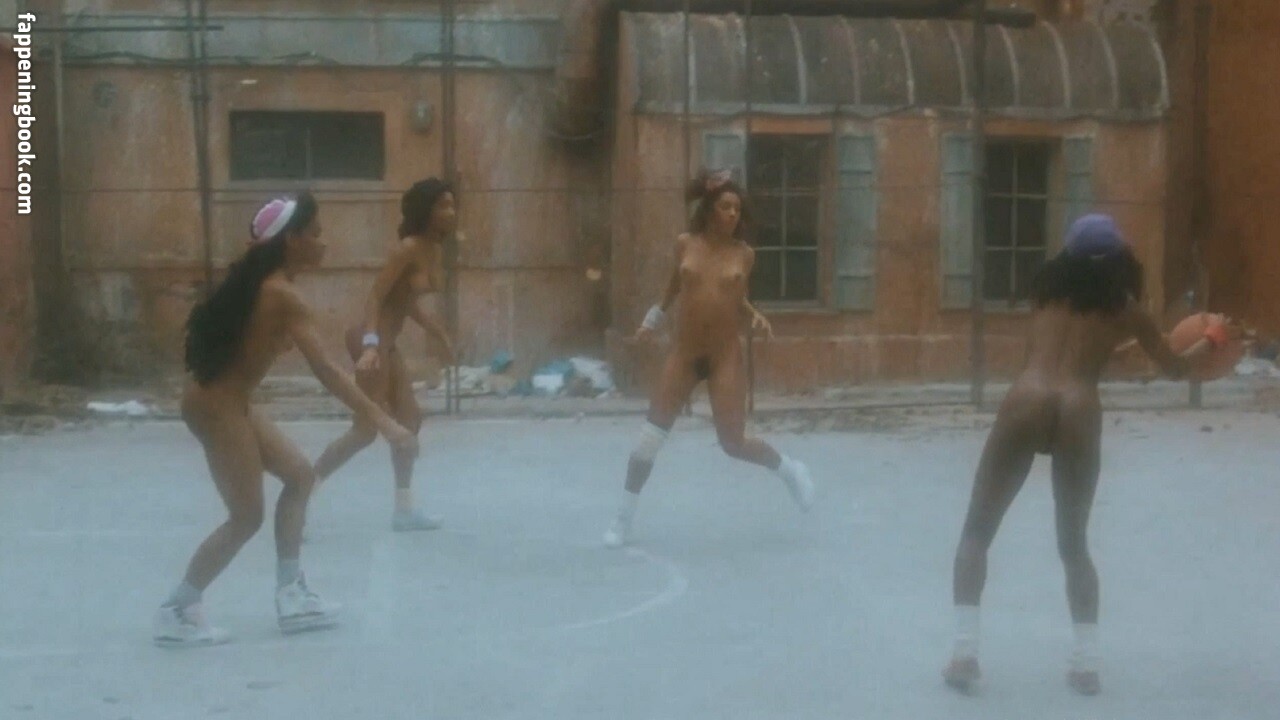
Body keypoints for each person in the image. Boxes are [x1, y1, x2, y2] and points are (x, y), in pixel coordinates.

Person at [942, 214, 1229, 695]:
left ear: (1067, 256)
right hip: (1079, 407)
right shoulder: (1126, 309)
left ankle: (964, 654)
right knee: (1074, 545)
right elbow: (1175, 369)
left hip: (1027, 398)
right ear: (1119, 259)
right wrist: (1212, 338)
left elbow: (1062, 339)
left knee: (976, 533)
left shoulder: (1044, 294)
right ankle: (1085, 664)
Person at [153, 193, 418, 647]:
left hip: (227, 400)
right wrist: (385, 422)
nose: (324, 243)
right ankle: (179, 607)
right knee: (245, 517)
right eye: (316, 234)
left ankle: (292, 594)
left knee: (299, 476)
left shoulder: (266, 286)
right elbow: (327, 370)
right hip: (217, 406)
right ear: (292, 240)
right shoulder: (282, 295)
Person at [601, 169, 815, 548]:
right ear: (709, 209)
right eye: (725, 206)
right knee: (648, 440)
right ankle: (623, 519)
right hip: (684, 355)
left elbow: (733, 295)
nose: (732, 214)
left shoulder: (744, 255)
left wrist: (755, 314)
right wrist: (650, 322)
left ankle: (788, 470)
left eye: (737, 208)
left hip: (723, 357)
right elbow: (672, 290)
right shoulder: (685, 244)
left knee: (733, 443)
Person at [312, 179, 457, 532]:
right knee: (364, 431)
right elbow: (376, 297)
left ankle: (403, 511)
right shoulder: (406, 249)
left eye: (453, 205)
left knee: (410, 421)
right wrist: (372, 345)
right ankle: (300, 495)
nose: (451, 212)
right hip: (371, 342)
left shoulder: (433, 249)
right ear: (426, 211)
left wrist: (436, 331)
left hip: (387, 345)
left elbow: (405, 301)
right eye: (443, 206)